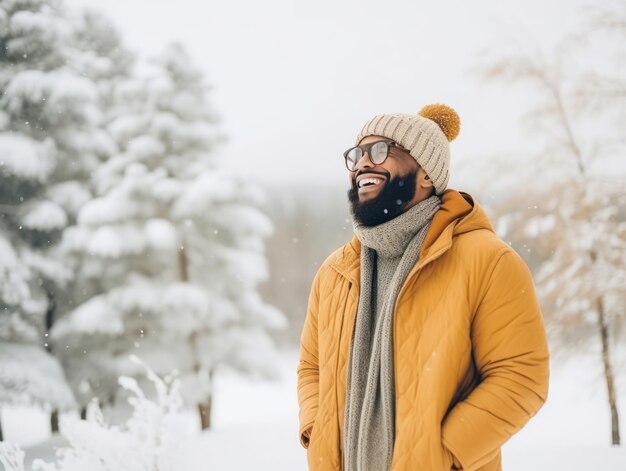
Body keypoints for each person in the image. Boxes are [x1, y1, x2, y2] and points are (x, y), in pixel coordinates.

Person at [296, 104, 550, 471]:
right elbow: (311, 367)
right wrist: (317, 429)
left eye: (381, 150)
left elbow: (522, 375)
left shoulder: (488, 260)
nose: (363, 163)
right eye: (356, 155)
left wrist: (444, 453)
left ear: (427, 173)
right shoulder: (335, 272)